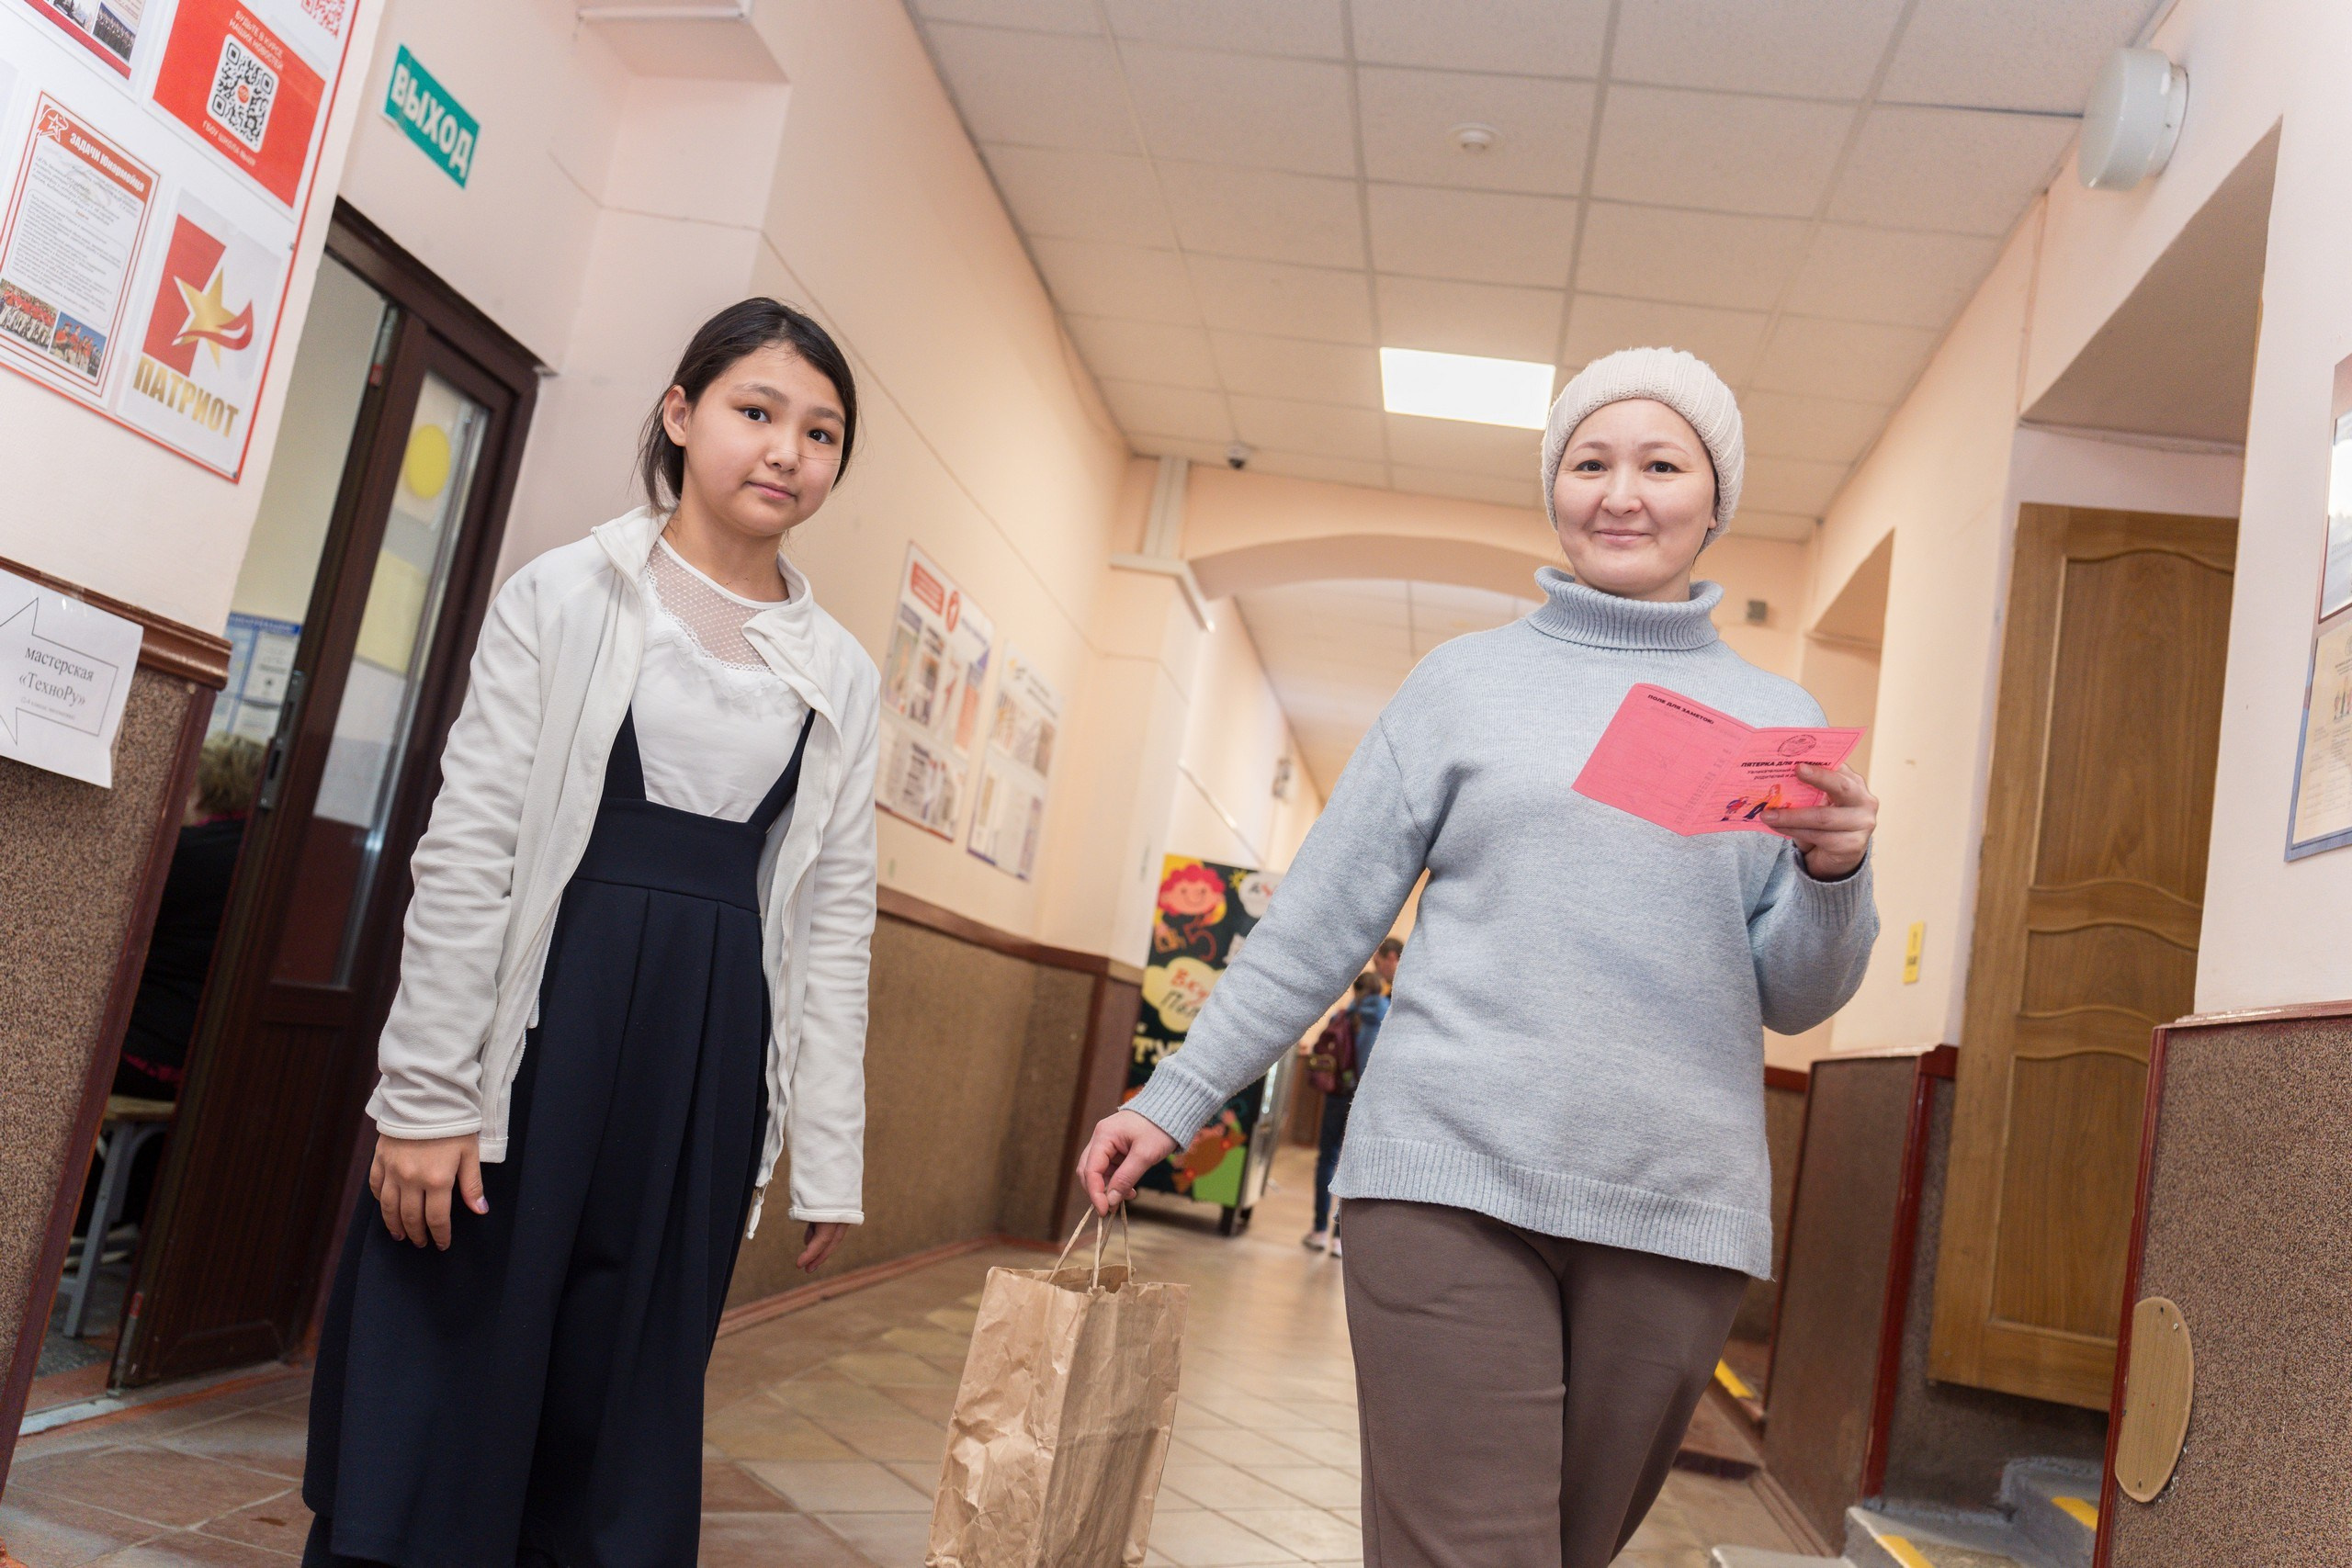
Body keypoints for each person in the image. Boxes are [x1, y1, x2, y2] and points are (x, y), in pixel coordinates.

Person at [1082, 346, 1879, 1568]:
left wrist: (1833, 872)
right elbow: (1319, 923)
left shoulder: (1776, 726)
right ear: (1554, 484)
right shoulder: (1463, 686)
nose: (1622, 491)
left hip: (1674, 1206)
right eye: (1589, 460)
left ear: (1714, 498)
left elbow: (1794, 993)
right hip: (1448, 1175)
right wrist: (1175, 1094)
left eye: (1661, 463)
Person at [302, 299, 881, 1568]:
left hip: (704, 1059)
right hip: (540, 1029)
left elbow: (836, 919)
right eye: (757, 411)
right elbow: (469, 850)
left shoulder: (839, 670)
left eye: (822, 431)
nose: (788, 450)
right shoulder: (566, 594)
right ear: (680, 417)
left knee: (622, 1386)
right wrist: (427, 1092)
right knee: (457, 1342)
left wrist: (826, 1151)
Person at [115, 736, 263, 1101]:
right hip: (206, 1065)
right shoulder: (263, 858)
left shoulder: (183, 854)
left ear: (200, 788)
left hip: (140, 1052)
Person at [1303, 970, 1385, 1256]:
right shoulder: (1387, 1017)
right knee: (1351, 1166)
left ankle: (1319, 1231)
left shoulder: (1343, 1017)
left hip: (1337, 1096)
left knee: (1327, 1158)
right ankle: (1340, 1238)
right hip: (1364, 1101)